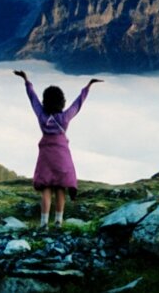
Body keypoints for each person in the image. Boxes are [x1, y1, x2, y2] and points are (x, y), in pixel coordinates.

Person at [13, 70, 103, 229]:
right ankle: (58, 223)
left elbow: (32, 98)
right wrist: (87, 87)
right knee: (61, 188)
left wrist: (26, 80)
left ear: (45, 101)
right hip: (62, 155)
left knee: (46, 189)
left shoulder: (41, 116)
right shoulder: (65, 118)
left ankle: (43, 224)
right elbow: (78, 104)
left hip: (46, 155)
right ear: (61, 101)